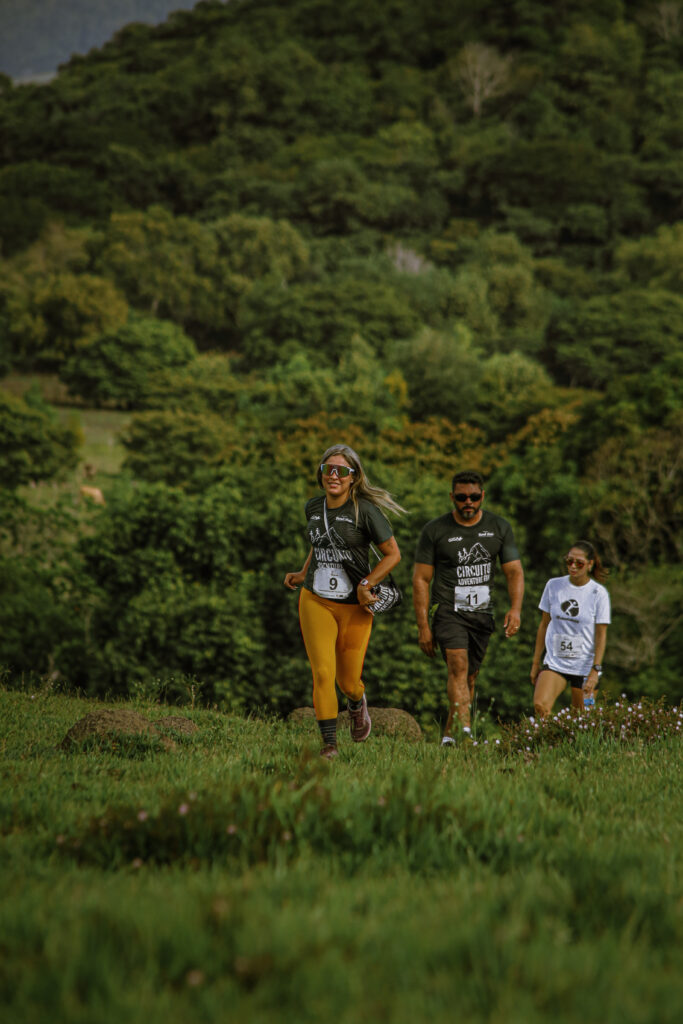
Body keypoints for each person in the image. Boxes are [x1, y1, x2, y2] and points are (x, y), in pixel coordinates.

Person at [284, 444, 404, 758]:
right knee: (323, 673)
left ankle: (356, 702)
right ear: (321, 474)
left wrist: (367, 583)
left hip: (354, 606)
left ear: (354, 477)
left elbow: (393, 555)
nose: (333, 476)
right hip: (315, 600)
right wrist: (303, 572)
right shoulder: (313, 507)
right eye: (328, 469)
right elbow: (319, 542)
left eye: (341, 471)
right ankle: (329, 745)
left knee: (348, 681)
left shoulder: (365, 511)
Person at [413, 470, 524, 746]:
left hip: (482, 613)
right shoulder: (435, 530)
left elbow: (514, 572)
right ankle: (465, 733)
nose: (468, 502)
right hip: (448, 611)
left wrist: (516, 609)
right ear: (452, 497)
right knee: (458, 666)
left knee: (470, 677)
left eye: (474, 497)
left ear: (482, 496)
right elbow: (421, 579)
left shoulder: (499, 527)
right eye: (461, 497)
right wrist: (423, 626)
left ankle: (449, 736)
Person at [530, 541, 610, 718]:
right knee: (540, 706)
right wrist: (536, 663)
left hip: (585, 667)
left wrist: (595, 670)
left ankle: (567, 737)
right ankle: (547, 736)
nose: (573, 566)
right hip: (555, 662)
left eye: (579, 563)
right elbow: (544, 625)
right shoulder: (553, 585)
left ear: (590, 564)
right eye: (569, 561)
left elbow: (601, 635)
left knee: (582, 720)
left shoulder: (599, 593)